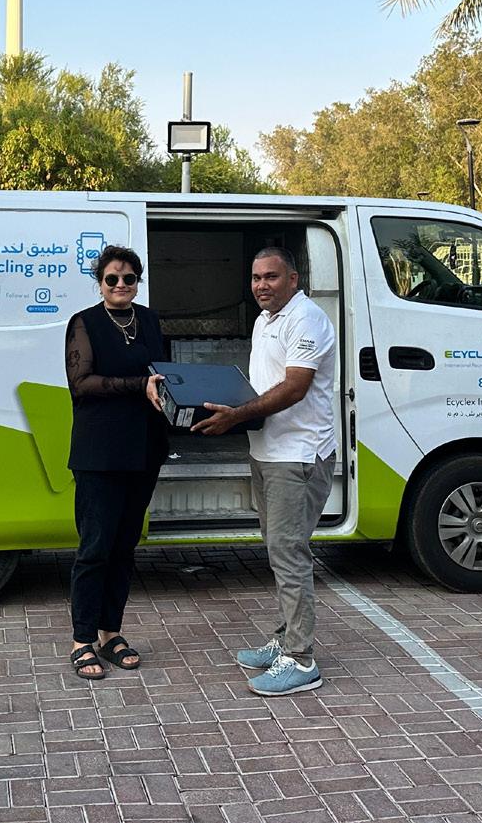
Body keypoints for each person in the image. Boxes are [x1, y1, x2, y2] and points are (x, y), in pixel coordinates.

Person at [193, 245, 337, 697]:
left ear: (293, 279)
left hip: (298, 455)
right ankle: (286, 639)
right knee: (279, 551)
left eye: (271, 277)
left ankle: (302, 659)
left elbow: (294, 387)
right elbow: (261, 386)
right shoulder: (265, 320)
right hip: (267, 452)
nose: (261, 285)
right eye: (256, 278)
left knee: (289, 553)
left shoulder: (306, 318)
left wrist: (235, 416)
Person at [62, 245, 169, 681]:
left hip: (144, 448)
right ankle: (82, 640)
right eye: (112, 279)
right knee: (95, 548)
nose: (121, 285)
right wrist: (138, 385)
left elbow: (163, 373)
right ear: (100, 283)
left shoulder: (150, 320)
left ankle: (111, 633)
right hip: (100, 452)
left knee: (124, 547)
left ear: (137, 282)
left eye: (129, 278)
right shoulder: (84, 323)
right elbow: (81, 383)